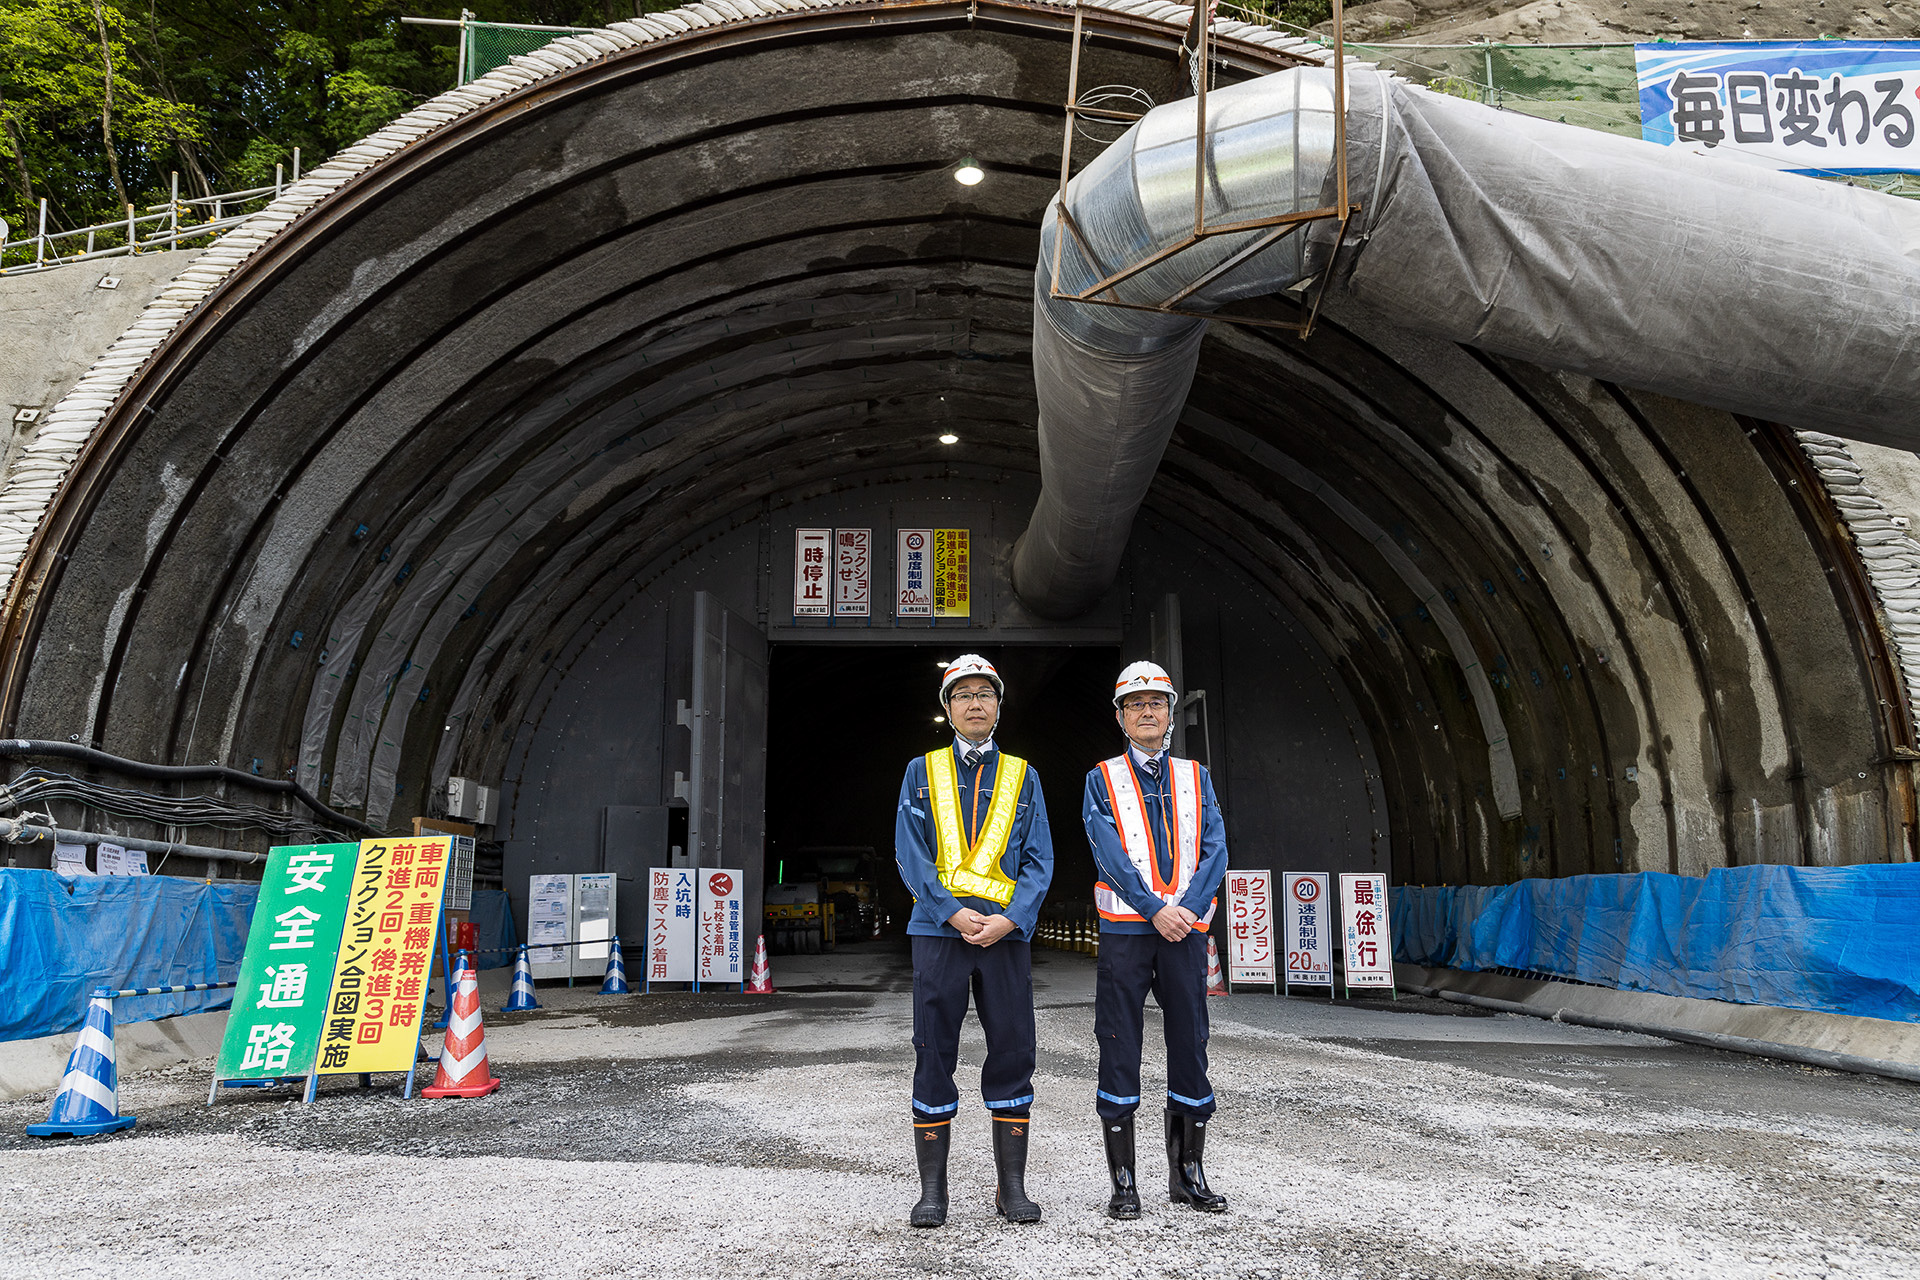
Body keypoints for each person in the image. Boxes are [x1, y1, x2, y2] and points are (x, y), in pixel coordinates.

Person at [894, 653, 1055, 1227]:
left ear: (998, 704)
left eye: (985, 693)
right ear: (948, 708)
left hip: (1005, 936)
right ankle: (932, 1192)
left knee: (1013, 1049)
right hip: (939, 933)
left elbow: (1040, 858)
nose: (975, 702)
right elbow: (910, 855)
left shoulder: (1024, 774)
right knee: (933, 1049)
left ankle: (1010, 1188)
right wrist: (952, 914)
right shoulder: (921, 770)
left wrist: (1013, 918)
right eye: (963, 694)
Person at [1081, 660, 1230, 1219]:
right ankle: (1124, 1181)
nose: (1148, 712)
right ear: (1121, 716)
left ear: (1171, 714)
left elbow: (1215, 847)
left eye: (1157, 704)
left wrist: (1185, 911)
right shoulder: (1102, 777)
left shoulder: (1197, 776)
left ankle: (1187, 1175)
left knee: (1191, 1042)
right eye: (1136, 704)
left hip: (1184, 934)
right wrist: (1153, 909)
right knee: (1119, 1042)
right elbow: (1107, 851)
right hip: (1126, 932)